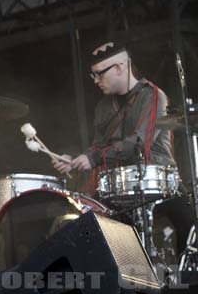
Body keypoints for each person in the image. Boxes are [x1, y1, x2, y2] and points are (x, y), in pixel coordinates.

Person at [52, 41, 175, 193]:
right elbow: (99, 146)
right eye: (93, 75)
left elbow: (140, 142)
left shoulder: (153, 95)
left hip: (156, 182)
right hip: (117, 184)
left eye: (99, 74)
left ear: (118, 68)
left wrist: (93, 159)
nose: (96, 80)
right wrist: (75, 160)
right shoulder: (103, 106)